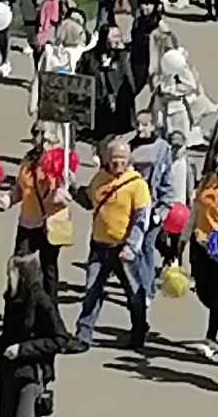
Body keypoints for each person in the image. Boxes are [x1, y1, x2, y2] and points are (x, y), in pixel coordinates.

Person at [73, 138, 150, 352]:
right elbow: (89, 201)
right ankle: (83, 335)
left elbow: (141, 219)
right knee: (91, 291)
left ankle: (138, 333)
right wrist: (70, 189)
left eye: (122, 160)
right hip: (99, 245)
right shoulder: (99, 178)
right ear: (106, 158)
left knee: (134, 294)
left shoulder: (137, 185)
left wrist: (131, 246)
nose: (118, 164)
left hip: (123, 248)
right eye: (114, 159)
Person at [0, 254, 68, 417]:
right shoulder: (12, 300)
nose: (8, 278)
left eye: (11, 274)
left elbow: (59, 340)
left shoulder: (42, 302)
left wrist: (22, 349)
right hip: (9, 372)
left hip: (31, 374)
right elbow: (7, 337)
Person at [0, 122, 69, 302]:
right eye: (34, 132)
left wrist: (60, 193)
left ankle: (49, 312)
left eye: (39, 133)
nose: (35, 137)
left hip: (49, 223)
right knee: (19, 266)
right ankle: (17, 307)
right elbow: (21, 189)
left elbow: (67, 186)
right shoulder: (27, 161)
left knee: (48, 270)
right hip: (27, 222)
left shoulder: (60, 162)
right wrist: (7, 199)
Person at [184, 143, 218, 360]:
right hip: (199, 242)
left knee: (216, 292)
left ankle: (210, 340)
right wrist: (182, 240)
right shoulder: (208, 180)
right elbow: (195, 209)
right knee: (202, 291)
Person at [128, 110, 173, 301]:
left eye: (145, 124)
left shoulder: (162, 148)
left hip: (152, 206)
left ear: (153, 126)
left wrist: (163, 208)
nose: (140, 128)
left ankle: (145, 290)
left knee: (147, 246)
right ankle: (140, 284)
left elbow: (167, 179)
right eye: (138, 124)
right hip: (132, 205)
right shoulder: (129, 145)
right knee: (133, 247)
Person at [76, 24, 137, 141]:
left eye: (118, 36)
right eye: (113, 36)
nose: (116, 40)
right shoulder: (89, 57)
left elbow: (129, 81)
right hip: (98, 108)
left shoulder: (123, 57)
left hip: (118, 109)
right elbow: (82, 80)